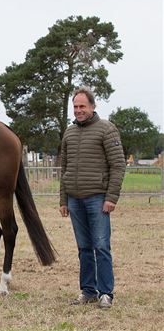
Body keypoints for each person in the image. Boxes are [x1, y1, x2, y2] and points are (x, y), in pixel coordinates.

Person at [59, 86, 126, 309]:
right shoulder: (69, 132)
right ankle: (88, 291)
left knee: (101, 246)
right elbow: (65, 168)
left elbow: (118, 165)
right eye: (75, 107)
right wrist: (63, 199)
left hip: (98, 199)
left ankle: (106, 293)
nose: (78, 110)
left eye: (82, 106)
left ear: (93, 106)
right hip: (75, 200)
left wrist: (111, 197)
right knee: (84, 248)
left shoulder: (106, 130)